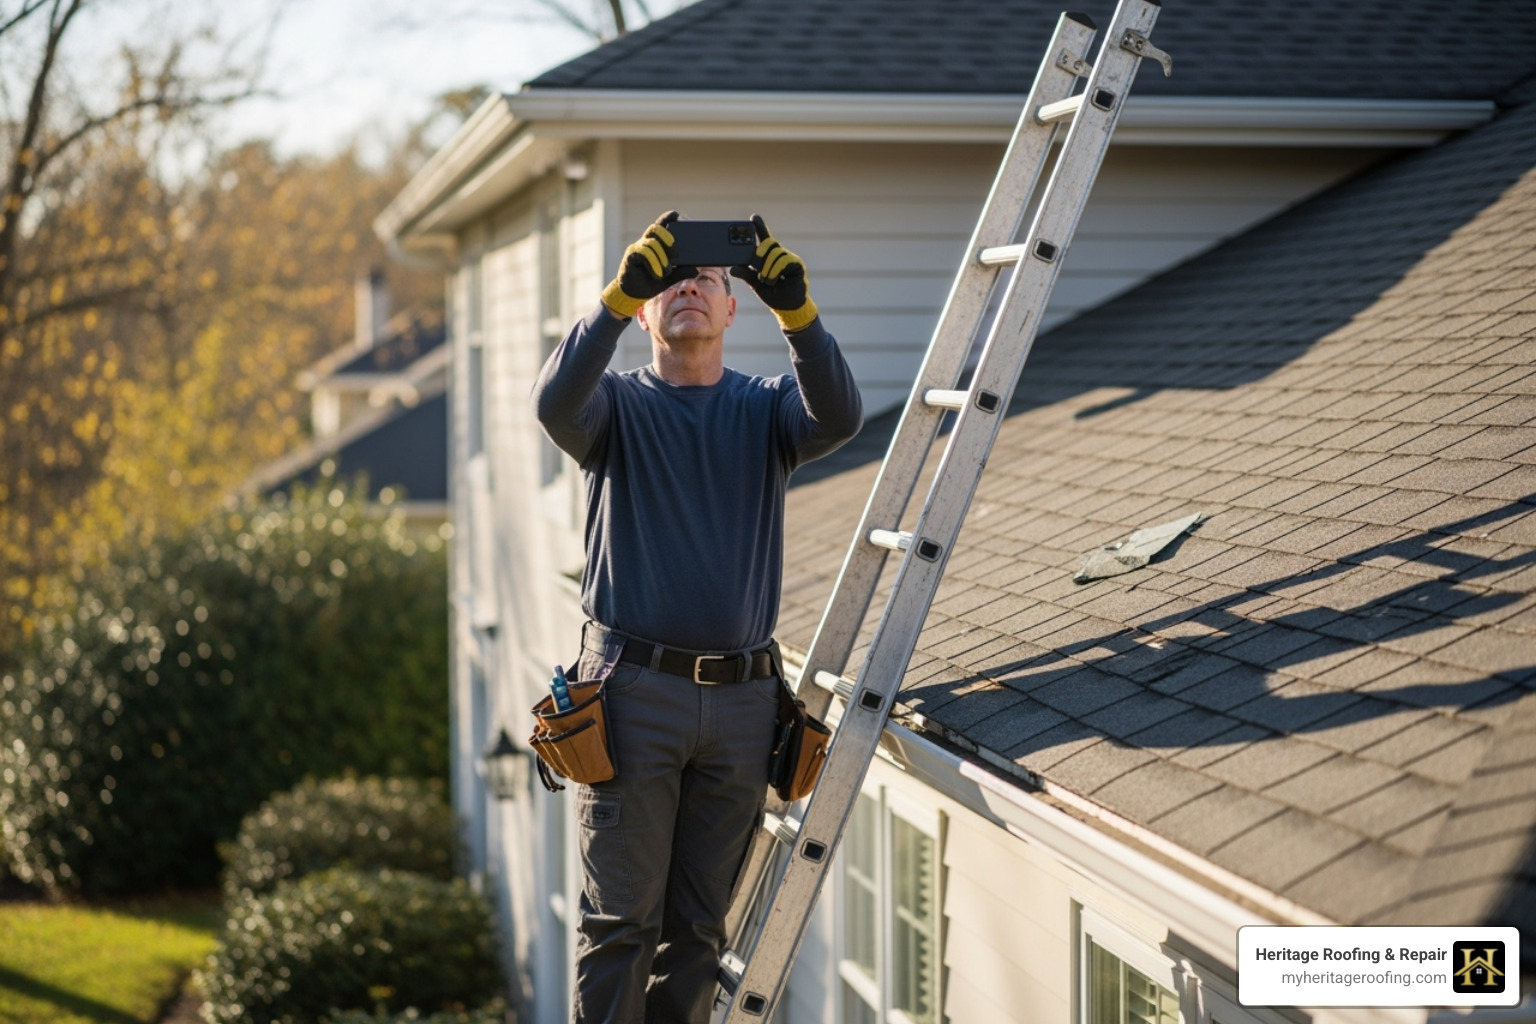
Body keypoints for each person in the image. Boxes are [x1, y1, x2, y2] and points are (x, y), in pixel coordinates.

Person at [532, 210, 863, 1024]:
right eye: (668, 282)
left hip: (746, 703)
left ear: (730, 310)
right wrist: (614, 296)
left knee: (698, 935)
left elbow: (842, 417)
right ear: (648, 311)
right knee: (619, 926)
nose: (688, 289)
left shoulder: (767, 409)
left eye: (707, 281)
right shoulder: (611, 409)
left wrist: (801, 312)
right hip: (634, 696)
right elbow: (553, 403)